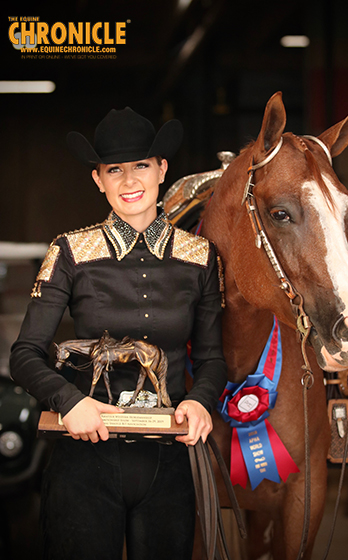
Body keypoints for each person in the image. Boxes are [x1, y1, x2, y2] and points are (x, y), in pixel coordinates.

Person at [9, 107, 227, 560]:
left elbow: (211, 359)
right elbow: (25, 355)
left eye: (141, 166)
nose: (129, 182)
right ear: (98, 179)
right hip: (84, 460)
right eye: (115, 170)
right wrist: (70, 401)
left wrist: (201, 399)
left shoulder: (202, 257)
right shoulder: (69, 251)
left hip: (169, 465)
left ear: (162, 169)